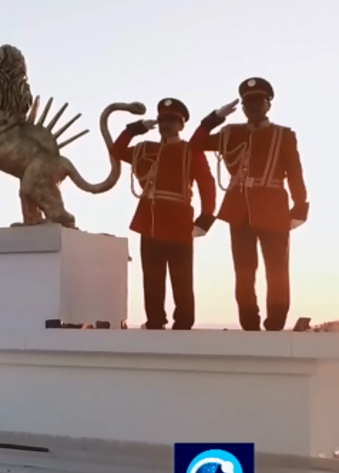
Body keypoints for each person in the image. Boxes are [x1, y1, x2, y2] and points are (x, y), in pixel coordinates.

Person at [190, 78, 308, 331]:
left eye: (258, 101)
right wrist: (214, 119)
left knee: (277, 270)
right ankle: (249, 323)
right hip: (239, 210)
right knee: (244, 271)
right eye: (247, 103)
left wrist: (300, 207)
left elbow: (295, 173)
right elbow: (195, 145)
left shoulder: (283, 135)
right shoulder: (231, 133)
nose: (252, 106)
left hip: (274, 209)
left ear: (268, 104)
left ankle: (275, 323)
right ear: (242, 107)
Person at [111, 98, 217, 330]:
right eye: (162, 121)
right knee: (152, 277)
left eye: (171, 121)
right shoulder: (146, 149)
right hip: (149, 219)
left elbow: (206, 183)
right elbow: (116, 150)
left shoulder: (191, 151)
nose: (166, 125)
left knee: (181, 278)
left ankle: (184, 322)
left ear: (181, 125)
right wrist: (133, 129)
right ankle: (155, 321)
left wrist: (206, 216)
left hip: (179, 220)